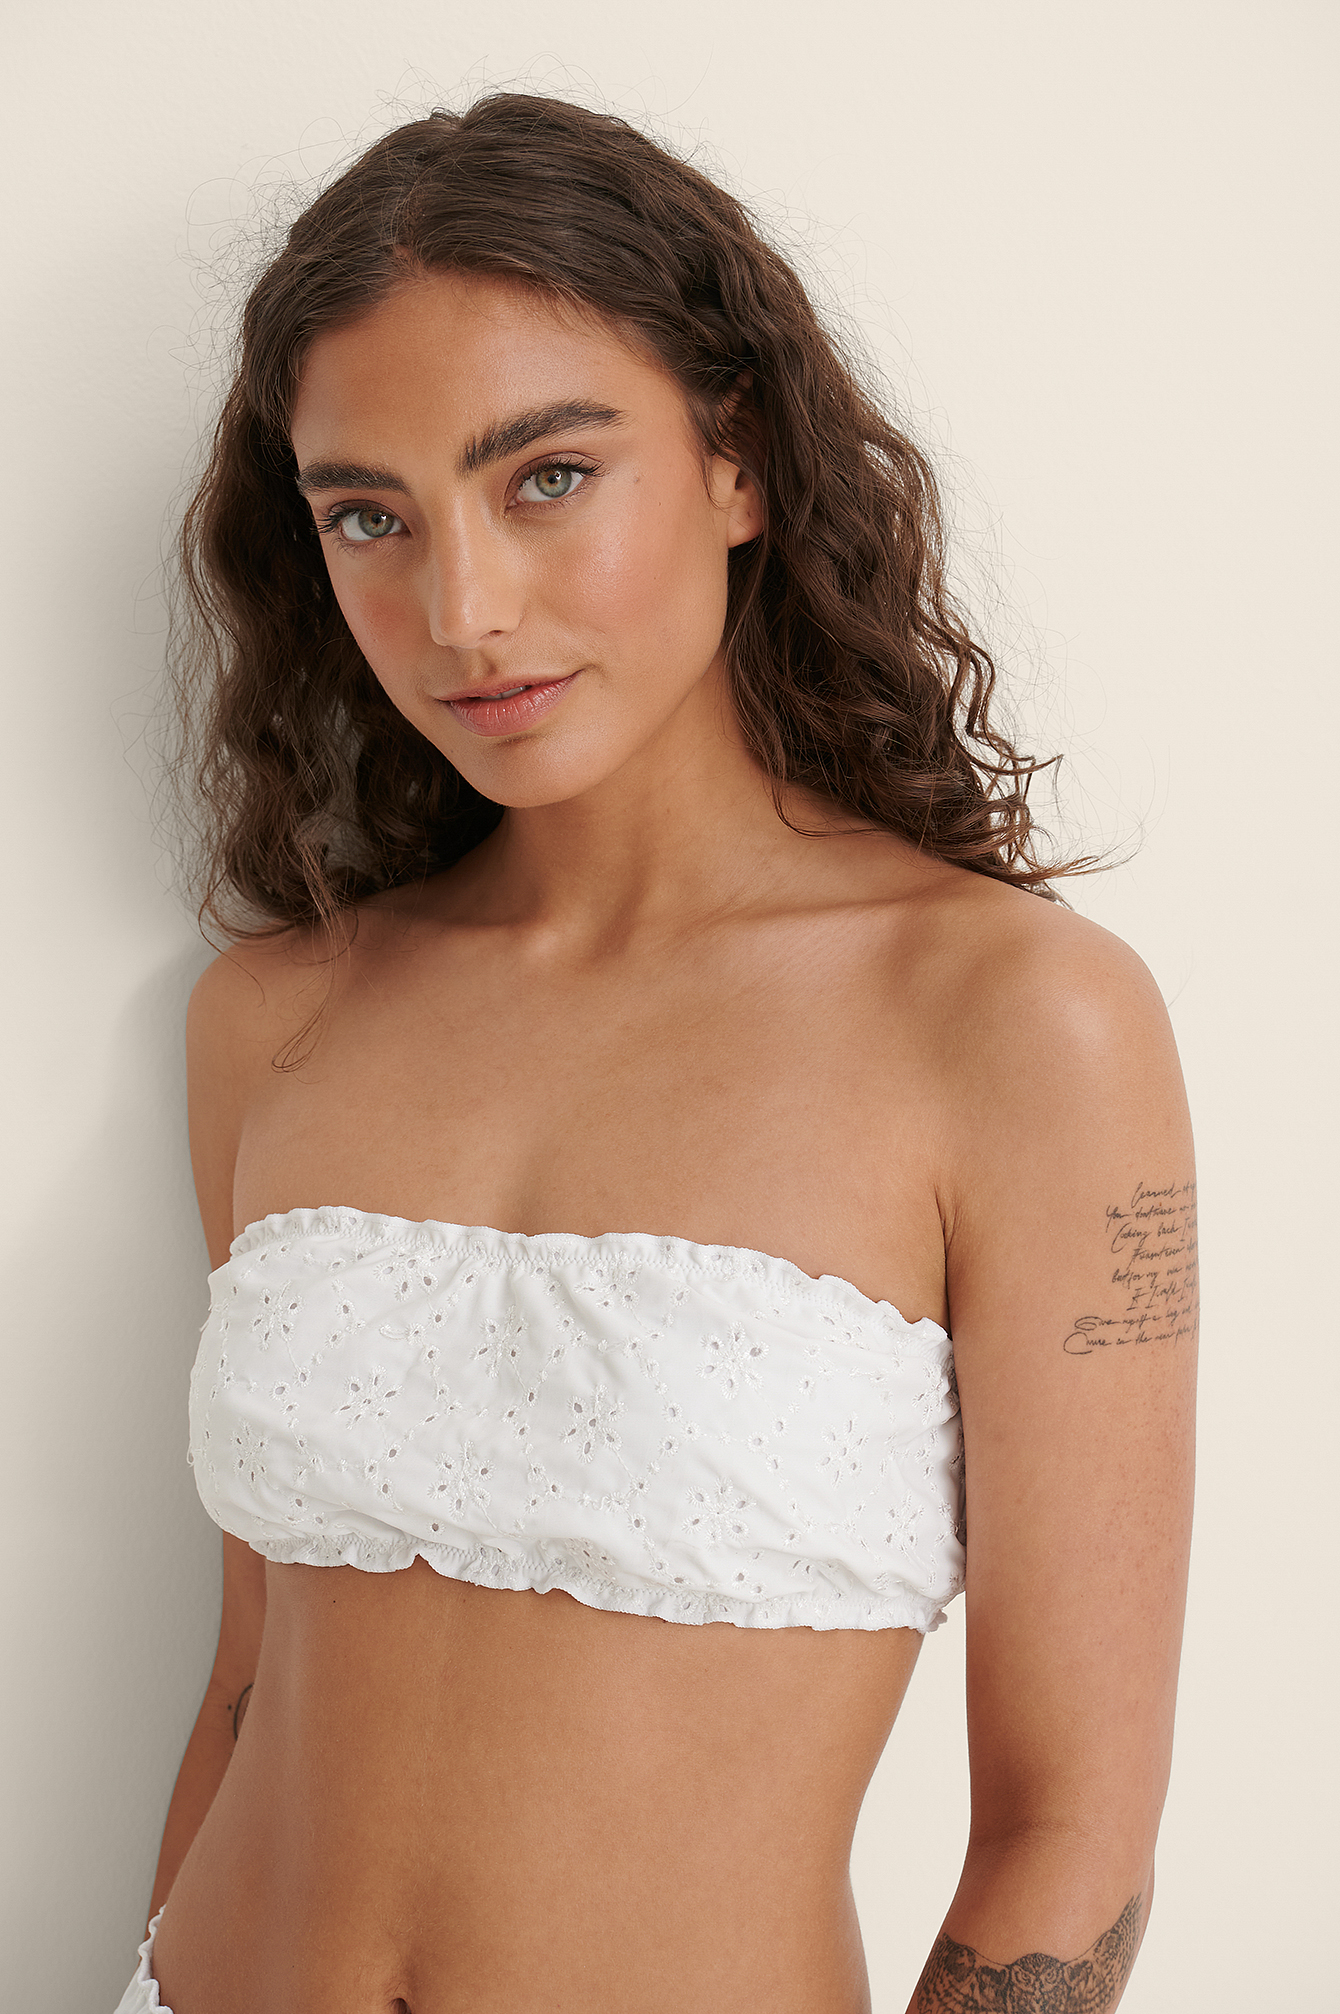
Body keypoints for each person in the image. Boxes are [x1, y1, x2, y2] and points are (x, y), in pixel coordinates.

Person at [119, 91, 1197, 2014]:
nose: (462, 611)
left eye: (546, 475)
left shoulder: (1018, 1019)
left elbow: (1072, 1829)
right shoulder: (274, 1018)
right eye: (369, 514)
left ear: (740, 459)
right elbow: (253, 1674)